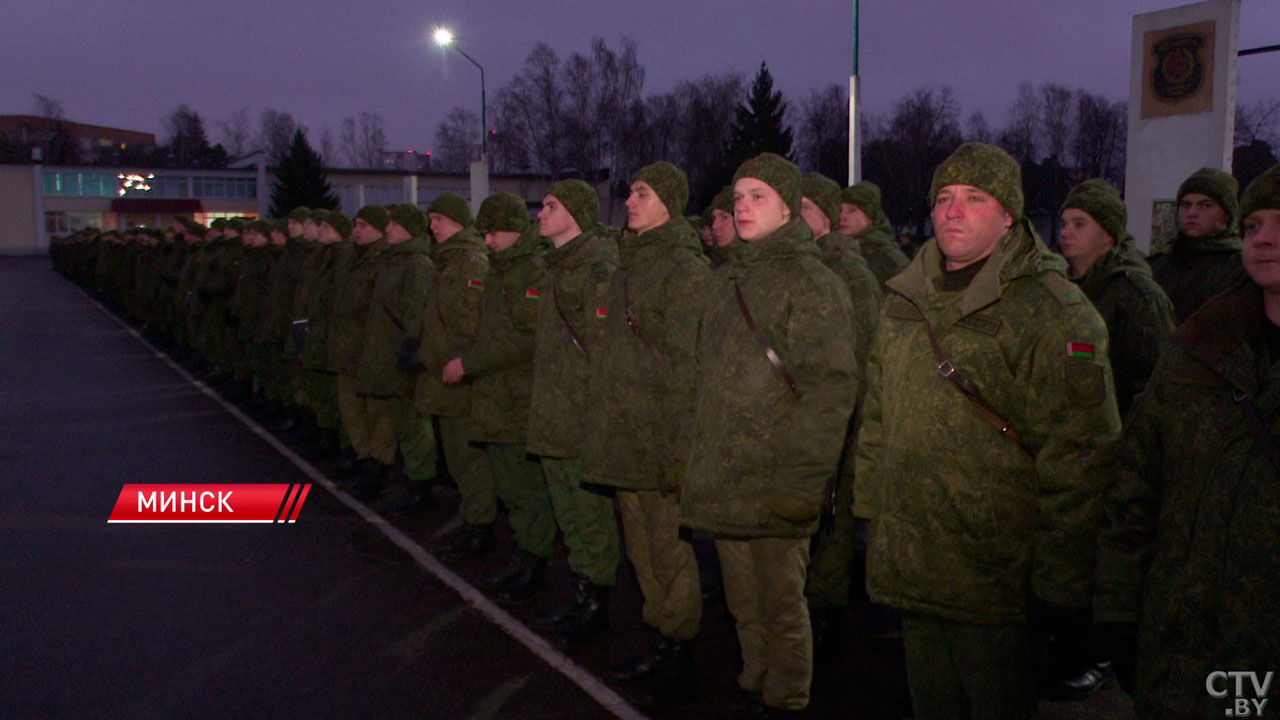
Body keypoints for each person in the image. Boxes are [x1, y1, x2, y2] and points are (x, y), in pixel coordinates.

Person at [853, 143, 1121, 720]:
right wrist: (872, 517)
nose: (953, 210)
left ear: (1008, 216)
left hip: (996, 573)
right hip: (914, 560)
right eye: (944, 198)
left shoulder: (1054, 312)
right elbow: (878, 415)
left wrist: (1059, 581)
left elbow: (1080, 458)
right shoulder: (904, 299)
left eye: (975, 199)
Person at [1093, 164, 1280, 720]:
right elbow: (1135, 489)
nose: (1265, 238)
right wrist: (1118, 614)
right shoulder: (1197, 348)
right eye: (1256, 226)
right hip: (1183, 649)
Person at [680, 153, 858, 716]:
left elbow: (830, 391)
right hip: (726, 475)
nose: (743, 207)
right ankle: (753, 678)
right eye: (738, 197)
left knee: (783, 605)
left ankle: (786, 699)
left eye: (758, 196)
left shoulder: (813, 283)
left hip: (778, 476)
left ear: (788, 207)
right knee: (742, 600)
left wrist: (803, 485)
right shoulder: (724, 278)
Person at [579, 162, 710, 708]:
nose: (629, 201)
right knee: (642, 550)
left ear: (669, 205)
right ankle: (659, 638)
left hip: (661, 439)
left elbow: (688, 365)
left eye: (642, 192)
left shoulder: (684, 270)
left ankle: (679, 651)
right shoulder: (629, 267)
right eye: (630, 191)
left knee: (669, 551)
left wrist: (680, 447)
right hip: (624, 436)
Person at [440, 193, 553, 601]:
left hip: (518, 397)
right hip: (498, 396)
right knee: (510, 485)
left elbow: (523, 337)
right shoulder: (501, 270)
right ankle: (524, 555)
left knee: (525, 489)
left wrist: (470, 363)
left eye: (492, 232)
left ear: (513, 229)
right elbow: (488, 328)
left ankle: (534, 561)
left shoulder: (532, 272)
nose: (486, 241)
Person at [524, 179, 622, 648]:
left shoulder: (597, 268)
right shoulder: (555, 268)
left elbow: (603, 350)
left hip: (581, 413)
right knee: (568, 509)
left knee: (590, 512)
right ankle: (581, 589)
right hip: (553, 411)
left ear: (576, 214)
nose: (540, 213)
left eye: (551, 205)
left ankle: (598, 599)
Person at [797, 172, 882, 654]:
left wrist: (849, 431)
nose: (796, 216)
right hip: (806, 424)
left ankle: (824, 613)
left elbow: (863, 359)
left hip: (842, 425)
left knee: (833, 525)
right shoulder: (805, 270)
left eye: (807, 208)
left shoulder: (852, 277)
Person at [412, 193, 494, 560]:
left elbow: (470, 326)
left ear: (458, 222)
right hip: (443, 374)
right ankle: (472, 519)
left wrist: (455, 361)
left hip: (460, 377)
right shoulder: (448, 261)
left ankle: (480, 527)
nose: (432, 226)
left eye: (439, 219)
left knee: (469, 459)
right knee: (459, 459)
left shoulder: (469, 263)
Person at [1058, 180, 1176, 416]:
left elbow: (1156, 382)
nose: (1065, 232)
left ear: (1107, 235)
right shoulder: (1054, 284)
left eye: (1079, 224)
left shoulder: (1136, 295)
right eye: (1064, 224)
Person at [1149, 167, 1245, 323]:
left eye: (1205, 205)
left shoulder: (1240, 267)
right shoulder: (1159, 265)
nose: (1191, 213)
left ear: (1226, 216)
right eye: (1185, 205)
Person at [840, 180, 909, 289]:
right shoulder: (837, 252)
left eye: (852, 210)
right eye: (840, 210)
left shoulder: (890, 261)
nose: (842, 217)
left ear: (870, 218)